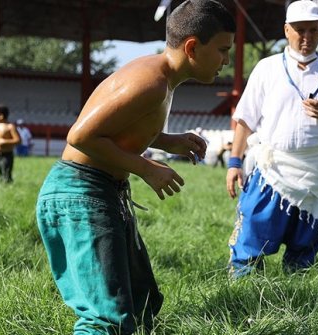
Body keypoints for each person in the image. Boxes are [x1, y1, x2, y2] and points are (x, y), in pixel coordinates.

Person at [35, 1, 234, 334]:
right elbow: (81, 135)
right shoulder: (150, 83)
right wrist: (146, 168)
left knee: (144, 304)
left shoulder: (159, 77)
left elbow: (119, 130)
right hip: (80, 195)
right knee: (107, 320)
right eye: (223, 50)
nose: (226, 60)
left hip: (101, 193)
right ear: (192, 47)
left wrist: (168, 141)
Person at [226, 0, 318, 278]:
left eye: (313, 30)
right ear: (286, 30)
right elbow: (245, 118)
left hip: (314, 167)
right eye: (299, 30)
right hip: (273, 165)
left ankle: (296, 287)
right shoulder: (267, 68)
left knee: (307, 237)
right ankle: (242, 287)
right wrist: (234, 162)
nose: (306, 37)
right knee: (254, 228)